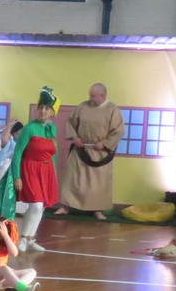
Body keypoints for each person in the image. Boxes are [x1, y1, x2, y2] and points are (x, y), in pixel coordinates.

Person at [51, 83, 125, 219]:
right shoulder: (82, 106)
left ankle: (97, 210)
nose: (90, 98)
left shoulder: (112, 110)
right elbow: (71, 123)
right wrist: (75, 137)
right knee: (71, 178)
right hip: (81, 149)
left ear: (103, 96)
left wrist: (104, 143)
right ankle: (65, 206)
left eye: (93, 96)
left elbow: (118, 131)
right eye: (90, 95)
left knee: (99, 184)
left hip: (100, 153)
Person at [13, 86, 60, 253]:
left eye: (47, 108)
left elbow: (52, 154)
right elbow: (17, 153)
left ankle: (30, 238)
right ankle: (23, 238)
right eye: (41, 108)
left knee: (42, 206)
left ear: (53, 113)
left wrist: (53, 175)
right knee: (36, 205)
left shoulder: (51, 130)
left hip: (47, 172)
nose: (43, 111)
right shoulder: (29, 128)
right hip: (30, 169)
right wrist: (17, 176)